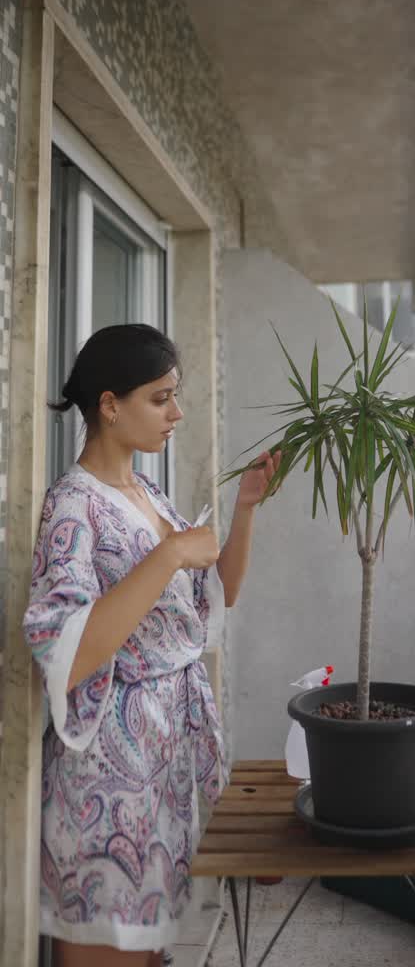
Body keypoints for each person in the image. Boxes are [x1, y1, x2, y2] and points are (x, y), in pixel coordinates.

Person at [23, 323, 280, 966]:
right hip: (111, 775)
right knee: (111, 942)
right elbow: (68, 650)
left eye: (176, 395)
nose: (177, 411)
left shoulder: (148, 494)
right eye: (160, 398)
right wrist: (166, 555)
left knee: (152, 949)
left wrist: (244, 509)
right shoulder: (72, 507)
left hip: (166, 758)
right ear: (110, 405)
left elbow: (215, 596)